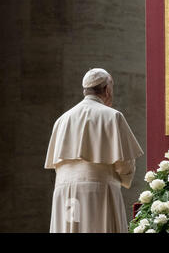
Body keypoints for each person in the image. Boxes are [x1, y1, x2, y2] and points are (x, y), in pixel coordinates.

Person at [44, 68, 144, 233]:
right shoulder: (113, 116)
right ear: (107, 89)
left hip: (65, 194)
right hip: (98, 192)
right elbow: (125, 164)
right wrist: (125, 177)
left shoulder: (61, 120)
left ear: (85, 91)